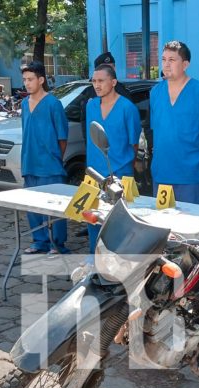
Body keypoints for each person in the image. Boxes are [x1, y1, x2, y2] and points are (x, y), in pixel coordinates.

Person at [149, 41, 199, 205]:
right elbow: (156, 130)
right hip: (161, 174)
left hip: (191, 177)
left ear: (185, 64)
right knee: (162, 226)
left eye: (172, 60)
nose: (166, 64)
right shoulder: (155, 93)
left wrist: (192, 154)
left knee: (191, 227)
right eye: (164, 59)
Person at [85, 64, 141, 252]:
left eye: (101, 80)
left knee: (119, 225)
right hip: (94, 176)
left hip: (120, 175)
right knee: (93, 221)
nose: (97, 85)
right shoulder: (90, 105)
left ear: (114, 82)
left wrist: (125, 169)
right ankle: (95, 262)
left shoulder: (127, 108)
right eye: (94, 81)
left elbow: (134, 144)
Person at [20, 61, 70, 254]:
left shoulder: (53, 104)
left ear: (41, 80)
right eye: (24, 80)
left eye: (30, 79)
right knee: (32, 206)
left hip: (50, 165)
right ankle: (39, 242)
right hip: (29, 163)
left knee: (55, 208)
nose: (27, 83)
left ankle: (57, 244)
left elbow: (62, 137)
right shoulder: (24, 104)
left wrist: (55, 157)